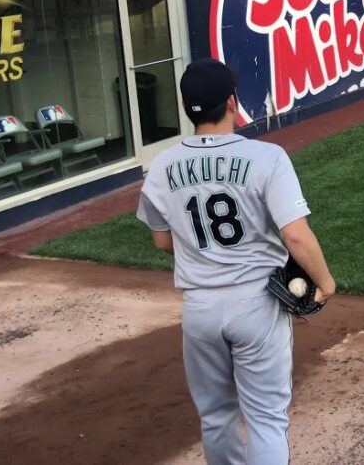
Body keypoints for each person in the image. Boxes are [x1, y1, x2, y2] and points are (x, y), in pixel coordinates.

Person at [136, 58, 336, 464]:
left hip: (199, 308)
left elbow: (161, 240)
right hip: (256, 304)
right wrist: (325, 282)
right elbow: (295, 234)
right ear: (232, 101)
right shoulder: (267, 158)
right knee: (265, 418)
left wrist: (204, 252)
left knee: (215, 417)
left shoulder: (161, 167)